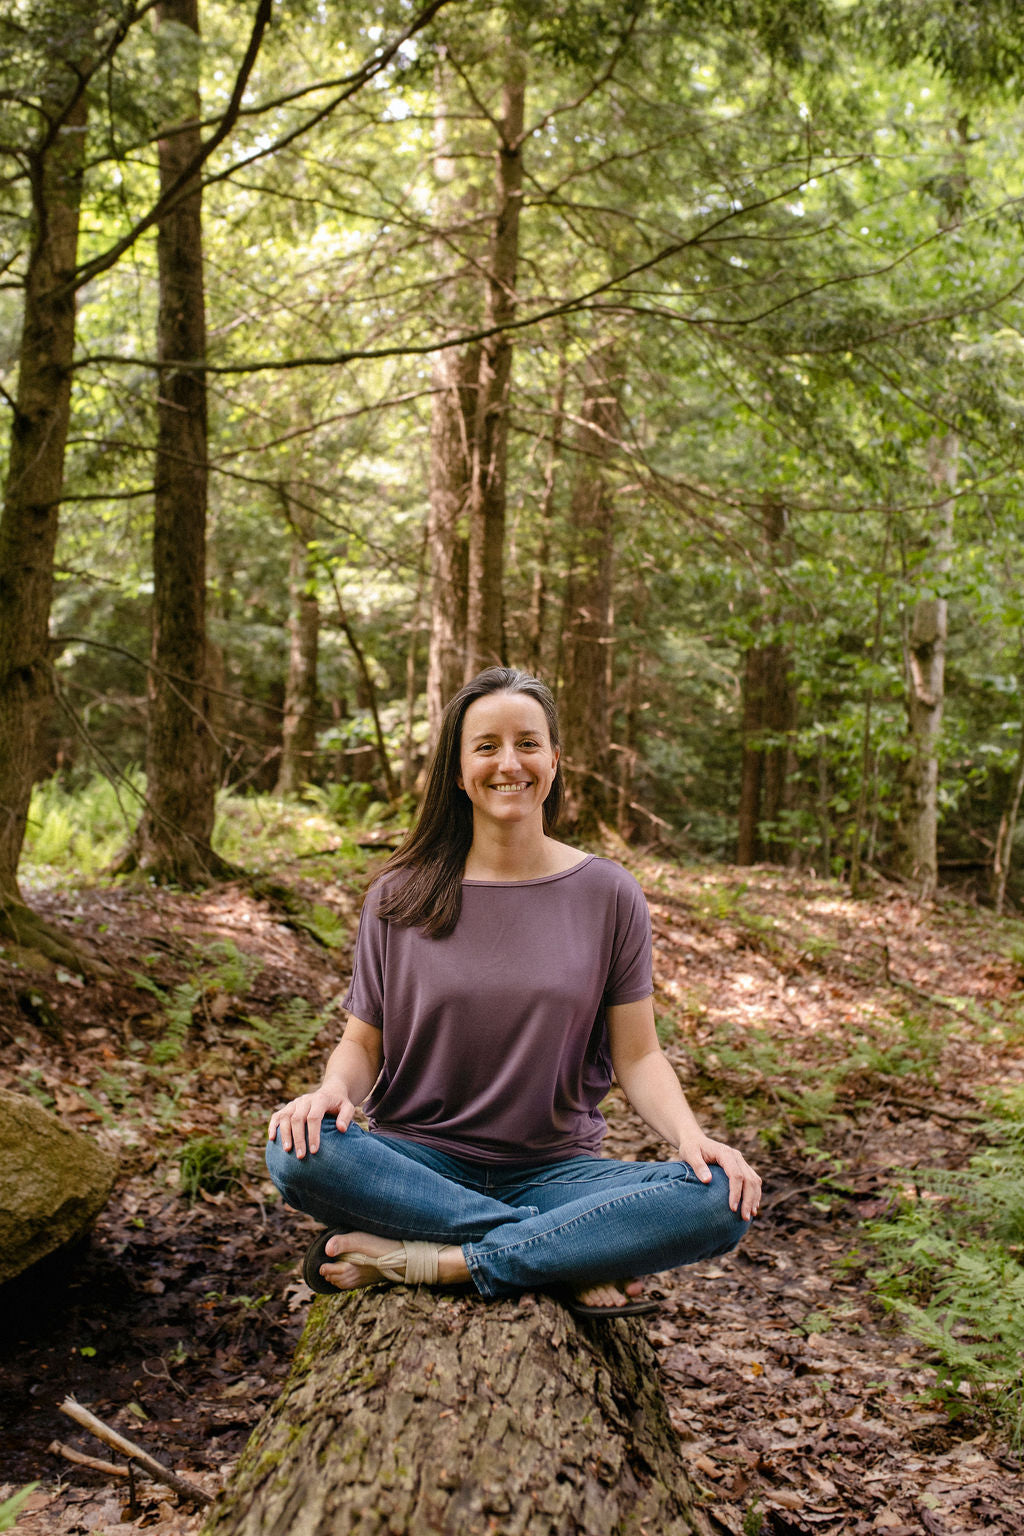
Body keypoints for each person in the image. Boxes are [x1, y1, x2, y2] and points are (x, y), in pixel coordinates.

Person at [266, 667, 760, 1317]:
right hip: (414, 1166)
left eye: (528, 743)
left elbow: (638, 1057)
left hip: (560, 1174)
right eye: (486, 746)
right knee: (294, 1153)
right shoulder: (399, 896)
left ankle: (443, 1262)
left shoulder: (609, 894)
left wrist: (689, 1137)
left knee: (721, 1195)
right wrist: (333, 1092)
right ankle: (568, 1252)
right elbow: (363, 1043)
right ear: (457, 768)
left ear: (554, 761)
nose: (509, 763)